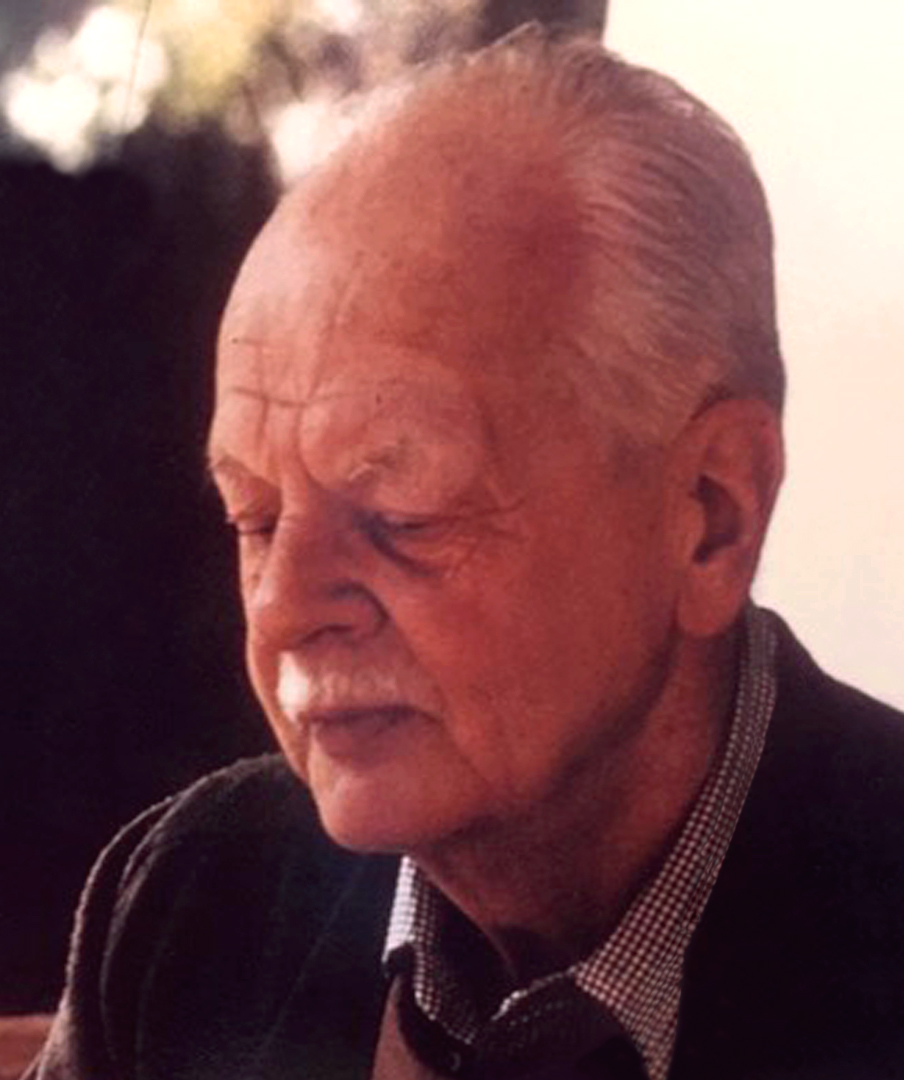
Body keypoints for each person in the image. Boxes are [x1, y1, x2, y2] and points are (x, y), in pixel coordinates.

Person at [26, 25, 904, 1080]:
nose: (283, 607)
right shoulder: (192, 902)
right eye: (254, 518)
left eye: (401, 513)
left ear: (711, 515)